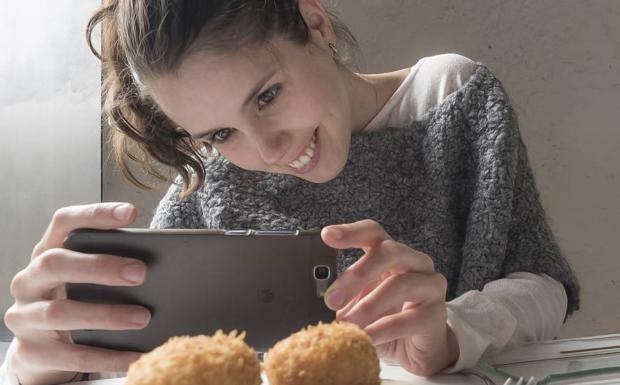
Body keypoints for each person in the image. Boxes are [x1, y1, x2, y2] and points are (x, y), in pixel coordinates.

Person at [1, 0, 580, 384]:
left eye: (267, 96)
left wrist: (454, 331)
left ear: (315, 21)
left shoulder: (451, 97)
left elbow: (541, 285)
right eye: (221, 132)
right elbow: (154, 356)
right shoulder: (205, 181)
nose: (269, 150)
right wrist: (29, 368)